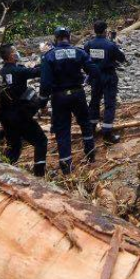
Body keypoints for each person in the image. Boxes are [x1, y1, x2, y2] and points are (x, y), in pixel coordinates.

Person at [40, 27, 100, 174]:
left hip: (59, 96)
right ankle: (90, 153)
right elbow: (95, 71)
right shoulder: (79, 52)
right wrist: (86, 80)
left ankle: (66, 164)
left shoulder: (49, 56)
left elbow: (46, 83)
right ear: (69, 36)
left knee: (63, 129)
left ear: (56, 39)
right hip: (77, 93)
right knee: (85, 124)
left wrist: (42, 102)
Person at [0, 43, 47, 177]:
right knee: (41, 141)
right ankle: (39, 174)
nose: (17, 53)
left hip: (6, 118)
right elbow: (39, 71)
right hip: (21, 116)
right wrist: (44, 55)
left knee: (15, 147)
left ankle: (1, 172)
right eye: (15, 51)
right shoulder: (19, 71)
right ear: (11, 55)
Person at [83, 20, 126, 144]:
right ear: (105, 31)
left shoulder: (88, 44)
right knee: (109, 104)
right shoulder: (110, 45)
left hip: (95, 76)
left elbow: (84, 61)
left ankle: (91, 130)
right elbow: (121, 59)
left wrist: (89, 73)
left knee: (94, 101)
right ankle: (107, 134)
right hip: (108, 75)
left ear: (94, 31)